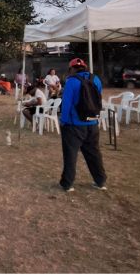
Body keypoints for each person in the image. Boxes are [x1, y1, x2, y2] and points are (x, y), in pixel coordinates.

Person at [58, 57, 107, 192]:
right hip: (92, 122)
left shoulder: (71, 81)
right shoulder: (96, 79)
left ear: (72, 69)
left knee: (71, 154)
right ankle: (100, 181)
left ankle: (67, 184)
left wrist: (63, 121)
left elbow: (66, 104)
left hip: (74, 125)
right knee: (94, 153)